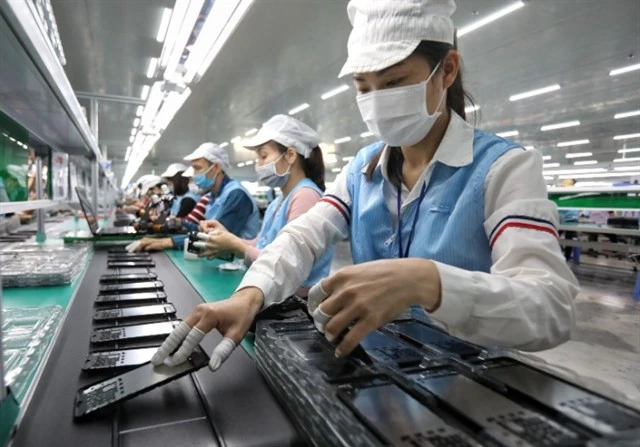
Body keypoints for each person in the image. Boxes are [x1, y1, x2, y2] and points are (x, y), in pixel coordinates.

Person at [150, 0, 579, 372]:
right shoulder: (362, 171)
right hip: (381, 373)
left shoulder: (504, 168)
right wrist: (252, 292)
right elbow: (302, 237)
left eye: (393, 83)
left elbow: (550, 307)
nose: (377, 100)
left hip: (472, 387)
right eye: (363, 87)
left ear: (446, 70)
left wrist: (430, 282)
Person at [199, 115, 333, 297]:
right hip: (275, 294)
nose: (258, 164)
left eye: (263, 156)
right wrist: (227, 237)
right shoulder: (279, 201)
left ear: (291, 155)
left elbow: (285, 264)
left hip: (297, 302)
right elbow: (263, 244)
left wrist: (237, 246)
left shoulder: (306, 196)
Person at [134, 142, 260, 251]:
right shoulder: (213, 196)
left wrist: (167, 242)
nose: (194, 175)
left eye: (198, 168)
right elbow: (204, 230)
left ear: (216, 167)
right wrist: (181, 223)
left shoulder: (236, 194)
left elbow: (216, 239)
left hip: (239, 266)